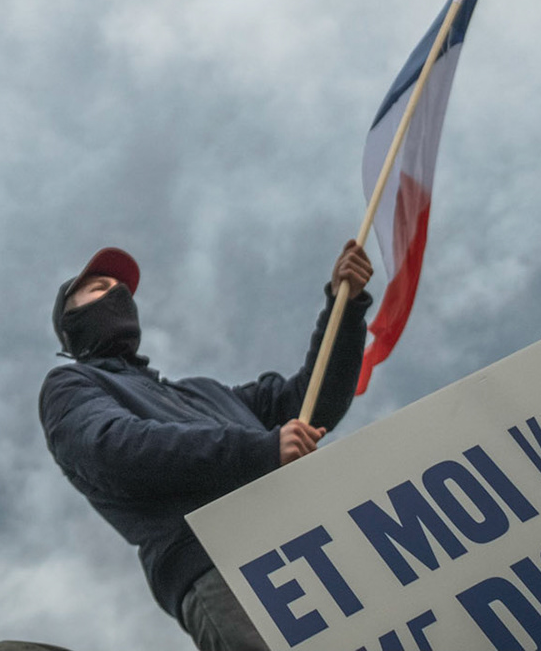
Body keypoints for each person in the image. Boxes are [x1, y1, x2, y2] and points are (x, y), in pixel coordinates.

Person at [38, 240, 375, 651]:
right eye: (98, 288)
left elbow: (312, 403)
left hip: (304, 545)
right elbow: (112, 449)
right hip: (217, 566)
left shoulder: (206, 393)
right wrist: (259, 451)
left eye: (120, 288)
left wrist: (345, 307)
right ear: (70, 323)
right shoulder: (72, 385)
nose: (116, 293)